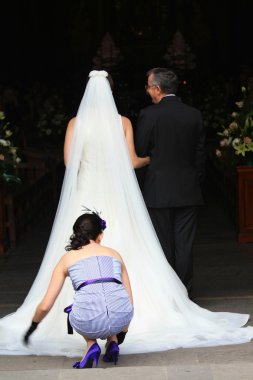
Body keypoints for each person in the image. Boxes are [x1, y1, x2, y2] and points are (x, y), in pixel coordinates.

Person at [1, 70, 253, 358]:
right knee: (129, 244)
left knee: (78, 248)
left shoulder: (75, 124)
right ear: (110, 93)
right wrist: (154, 157)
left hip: (85, 193)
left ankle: (83, 317)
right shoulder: (122, 122)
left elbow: (70, 164)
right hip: (115, 192)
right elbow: (133, 161)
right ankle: (124, 316)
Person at [23, 211, 134, 368]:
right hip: (121, 319)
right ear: (100, 235)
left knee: (77, 307)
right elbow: (129, 300)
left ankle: (91, 344)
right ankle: (113, 341)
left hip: (89, 323)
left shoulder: (67, 258)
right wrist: (123, 331)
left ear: (76, 234)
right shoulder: (115, 255)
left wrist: (33, 326)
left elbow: (45, 305)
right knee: (112, 298)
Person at [135, 67, 205, 296]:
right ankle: (185, 293)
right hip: (188, 188)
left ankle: (168, 294)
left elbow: (141, 149)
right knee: (185, 244)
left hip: (158, 189)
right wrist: (196, 182)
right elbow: (199, 154)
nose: (147, 91)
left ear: (157, 88)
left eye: (148, 87)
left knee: (164, 244)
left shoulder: (149, 114)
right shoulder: (194, 114)